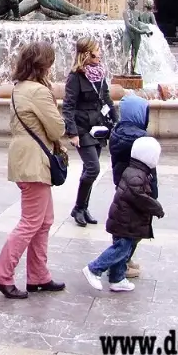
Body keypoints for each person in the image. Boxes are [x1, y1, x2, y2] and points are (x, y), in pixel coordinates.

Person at [0, 41, 68, 299]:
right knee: (31, 221)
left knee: (44, 221)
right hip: (35, 160)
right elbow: (57, 129)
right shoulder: (38, 91)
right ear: (43, 64)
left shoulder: (19, 88)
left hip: (25, 156)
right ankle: (2, 275)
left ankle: (38, 276)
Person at [83, 136, 164, 293]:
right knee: (121, 248)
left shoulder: (137, 170)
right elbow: (139, 197)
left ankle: (117, 278)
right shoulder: (137, 175)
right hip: (125, 220)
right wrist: (156, 208)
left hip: (126, 220)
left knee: (124, 248)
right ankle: (94, 268)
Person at [63, 37, 116, 228]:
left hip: (98, 128)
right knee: (93, 168)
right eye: (97, 49)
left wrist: (115, 122)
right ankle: (78, 207)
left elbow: (107, 99)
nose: (100, 52)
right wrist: (72, 132)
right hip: (83, 129)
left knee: (89, 170)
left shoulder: (100, 74)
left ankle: (83, 208)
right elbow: (68, 106)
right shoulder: (75, 77)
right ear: (88, 53)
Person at [107, 94, 155, 278]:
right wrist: (154, 195)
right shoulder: (141, 139)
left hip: (122, 186)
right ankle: (120, 263)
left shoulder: (117, 132)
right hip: (138, 189)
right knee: (133, 228)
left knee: (124, 226)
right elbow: (151, 171)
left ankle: (125, 259)